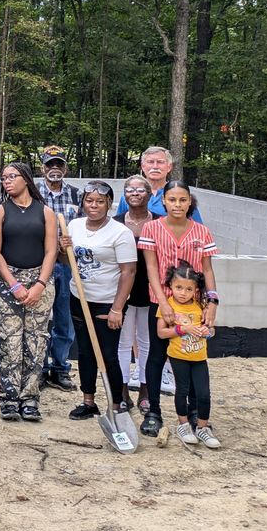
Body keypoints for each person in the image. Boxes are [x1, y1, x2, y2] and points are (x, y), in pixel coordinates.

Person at [136, 181, 218, 438]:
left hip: (194, 303)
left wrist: (212, 302)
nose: (178, 205)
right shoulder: (152, 228)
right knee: (157, 355)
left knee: (193, 355)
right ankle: (154, 412)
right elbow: (150, 268)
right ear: (164, 202)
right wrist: (162, 302)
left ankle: (194, 412)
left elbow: (207, 269)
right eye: (172, 200)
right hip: (162, 302)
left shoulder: (202, 232)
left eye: (183, 200)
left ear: (190, 202)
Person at [59, 181, 137, 420]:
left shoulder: (120, 233)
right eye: (89, 201)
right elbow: (66, 263)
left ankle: (116, 403)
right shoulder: (74, 225)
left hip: (107, 303)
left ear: (108, 205)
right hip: (79, 299)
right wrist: (64, 249)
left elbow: (128, 272)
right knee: (85, 352)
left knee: (108, 354)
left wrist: (117, 309)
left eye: (100, 201)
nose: (94, 206)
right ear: (83, 203)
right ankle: (88, 401)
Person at [0, 162, 57, 422]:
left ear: (26, 179)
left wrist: (40, 284)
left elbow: (51, 250)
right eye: (3, 177)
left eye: (12, 176)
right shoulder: (0, 212)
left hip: (39, 280)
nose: (7, 181)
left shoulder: (46, 212)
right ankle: (9, 398)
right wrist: (13, 284)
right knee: (10, 340)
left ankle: (30, 398)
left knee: (36, 341)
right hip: (9, 281)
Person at [157, 264, 220, 448]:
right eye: (179, 288)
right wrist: (183, 329)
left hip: (199, 357)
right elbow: (161, 333)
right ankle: (183, 424)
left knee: (204, 393)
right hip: (179, 356)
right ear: (171, 286)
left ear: (196, 290)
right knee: (182, 391)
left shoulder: (201, 306)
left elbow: (211, 329)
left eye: (189, 289)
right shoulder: (168, 306)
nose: (183, 293)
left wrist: (207, 331)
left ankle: (202, 427)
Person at [36, 145, 81, 392]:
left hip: (66, 264)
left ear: (65, 167)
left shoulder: (76, 195)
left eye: (59, 164)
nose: (55, 169)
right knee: (40, 318)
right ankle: (40, 368)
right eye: (50, 164)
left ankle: (60, 368)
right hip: (40, 262)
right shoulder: (33, 193)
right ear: (42, 167)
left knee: (65, 319)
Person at [117, 175, 154, 411]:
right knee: (123, 342)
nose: (135, 193)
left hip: (151, 291)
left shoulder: (159, 223)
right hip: (123, 291)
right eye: (130, 189)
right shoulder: (116, 223)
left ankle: (145, 390)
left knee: (146, 342)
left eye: (140, 189)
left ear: (150, 194)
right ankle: (121, 391)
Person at [115, 146, 203, 222]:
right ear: (142, 166)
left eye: (160, 162)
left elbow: (198, 230)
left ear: (169, 167)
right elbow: (118, 226)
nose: (155, 166)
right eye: (150, 162)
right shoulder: (129, 195)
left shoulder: (181, 196)